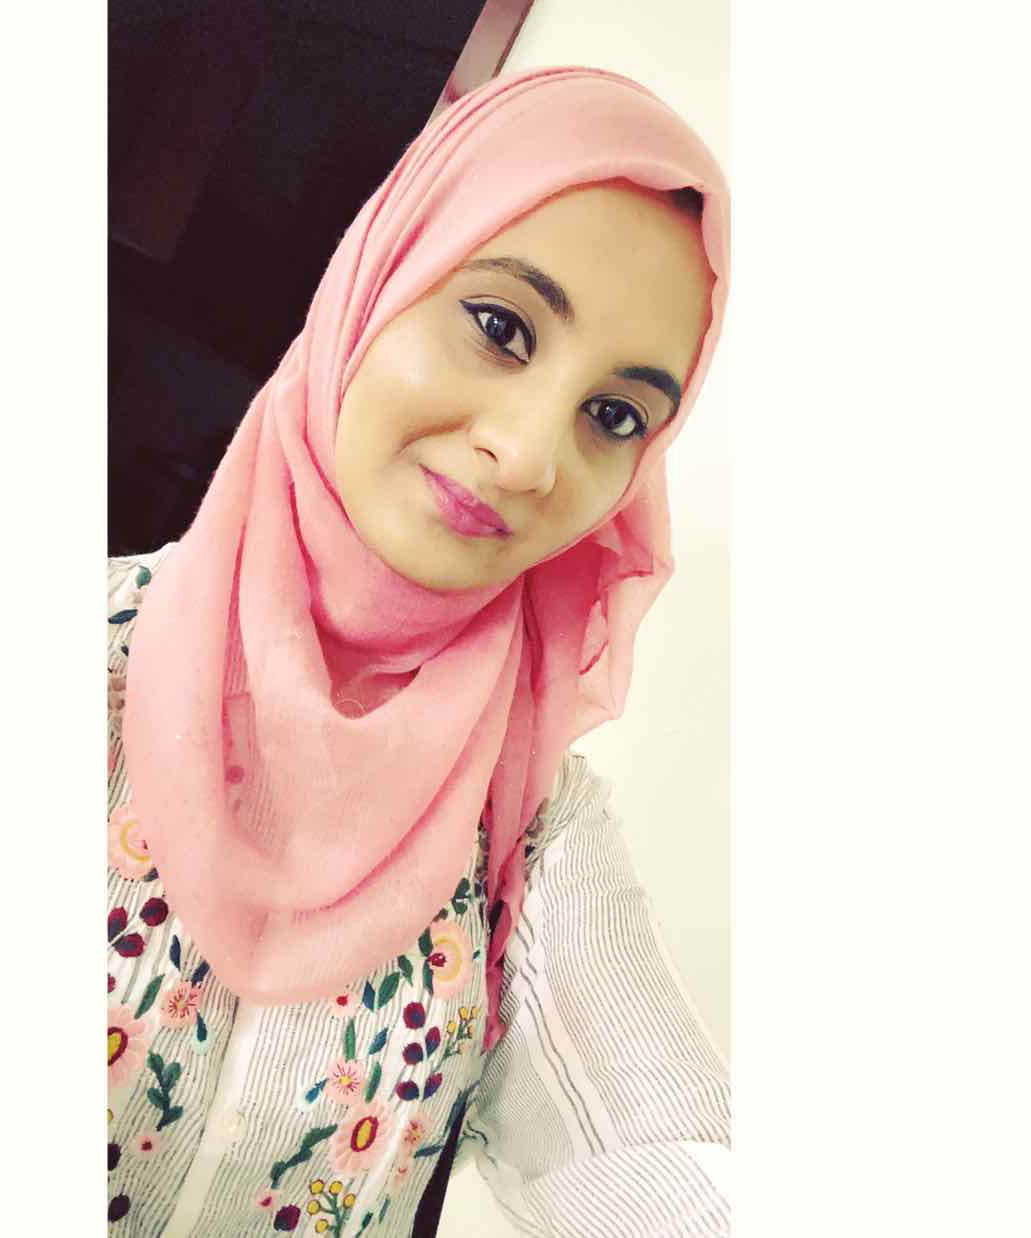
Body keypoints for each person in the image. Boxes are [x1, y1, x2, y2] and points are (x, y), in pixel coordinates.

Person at [108, 65, 731, 1236]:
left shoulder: (525, 826)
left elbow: (665, 1153)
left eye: (613, 416)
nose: (529, 453)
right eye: (500, 326)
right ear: (376, 281)